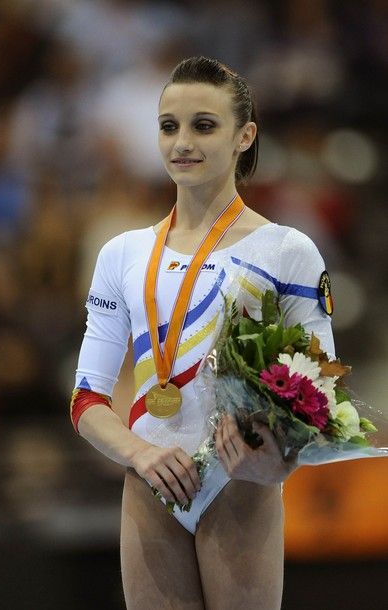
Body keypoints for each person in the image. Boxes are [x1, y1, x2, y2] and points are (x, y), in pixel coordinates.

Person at [70, 56, 335, 610]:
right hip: (152, 483)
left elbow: (321, 400)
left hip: (239, 484)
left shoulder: (286, 251)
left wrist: (277, 460)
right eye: (169, 126)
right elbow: (87, 400)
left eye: (204, 125)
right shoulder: (122, 254)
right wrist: (140, 453)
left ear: (245, 136)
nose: (182, 142)